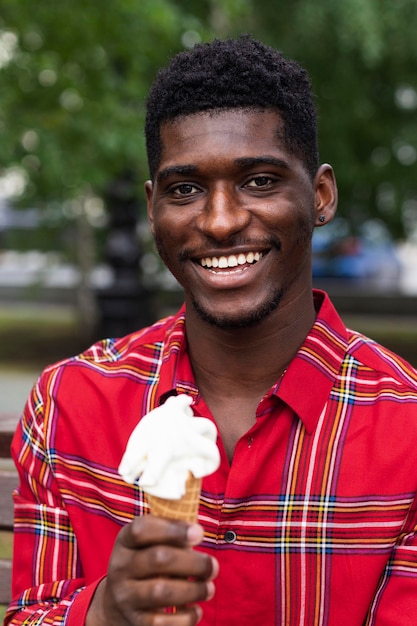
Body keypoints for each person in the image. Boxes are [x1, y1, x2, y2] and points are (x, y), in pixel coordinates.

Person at [4, 34, 417, 626]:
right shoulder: (70, 402)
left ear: (320, 195)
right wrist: (103, 614)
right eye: (185, 189)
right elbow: (30, 614)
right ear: (153, 210)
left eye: (260, 181)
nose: (220, 221)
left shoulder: (406, 428)